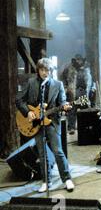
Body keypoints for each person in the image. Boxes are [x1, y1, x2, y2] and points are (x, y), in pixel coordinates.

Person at [16, 58, 75, 193]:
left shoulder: (58, 84)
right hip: (36, 124)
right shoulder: (31, 83)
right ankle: (46, 182)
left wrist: (65, 107)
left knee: (58, 151)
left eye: (47, 70)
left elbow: (63, 101)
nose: (45, 72)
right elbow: (18, 99)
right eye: (42, 70)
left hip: (51, 122)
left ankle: (66, 179)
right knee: (42, 154)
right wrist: (28, 112)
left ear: (51, 71)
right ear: (38, 70)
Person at [61, 54, 96, 134]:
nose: (79, 61)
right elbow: (63, 79)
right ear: (75, 60)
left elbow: (92, 80)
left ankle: (85, 127)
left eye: (80, 60)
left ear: (82, 61)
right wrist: (65, 88)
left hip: (83, 93)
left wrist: (93, 88)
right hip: (73, 93)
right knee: (72, 110)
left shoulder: (87, 69)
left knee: (84, 111)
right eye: (77, 60)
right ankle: (71, 128)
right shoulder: (69, 69)